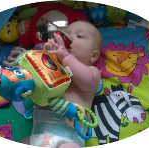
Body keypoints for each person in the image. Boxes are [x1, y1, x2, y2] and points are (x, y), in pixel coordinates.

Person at [19, 20, 102, 148]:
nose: (69, 38)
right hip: (37, 135)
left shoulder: (93, 72)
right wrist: (45, 57)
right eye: (65, 34)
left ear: (94, 56)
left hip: (68, 138)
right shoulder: (55, 66)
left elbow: (87, 83)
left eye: (79, 36)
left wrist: (66, 57)